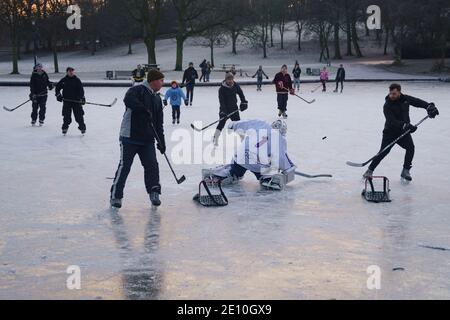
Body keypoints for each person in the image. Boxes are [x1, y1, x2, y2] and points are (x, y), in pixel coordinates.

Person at [110, 69, 166, 209]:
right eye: (161, 80)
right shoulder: (137, 90)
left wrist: (161, 141)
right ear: (153, 81)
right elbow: (128, 100)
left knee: (152, 165)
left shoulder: (157, 99)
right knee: (125, 166)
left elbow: (159, 123)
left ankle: (154, 191)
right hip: (130, 136)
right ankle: (116, 196)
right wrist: (142, 110)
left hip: (147, 139)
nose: (162, 83)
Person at [363, 83, 439, 181]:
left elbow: (417, 102)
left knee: (410, 148)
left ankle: (405, 171)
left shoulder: (405, 99)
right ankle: (369, 170)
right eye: (390, 93)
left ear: (399, 92)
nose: (392, 96)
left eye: (394, 94)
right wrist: (406, 125)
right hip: (390, 132)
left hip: (403, 132)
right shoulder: (387, 105)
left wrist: (428, 106)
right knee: (383, 152)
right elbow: (391, 121)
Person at [203, 119, 296, 191]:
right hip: (257, 163)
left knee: (236, 168)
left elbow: (247, 123)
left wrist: (234, 125)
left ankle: (224, 174)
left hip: (240, 156)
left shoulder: (261, 124)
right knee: (267, 170)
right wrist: (288, 169)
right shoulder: (280, 139)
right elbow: (281, 157)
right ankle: (268, 179)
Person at [213, 73, 248, 146]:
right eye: (229, 79)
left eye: (231, 79)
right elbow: (221, 101)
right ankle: (215, 137)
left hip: (234, 108)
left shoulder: (235, 85)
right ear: (226, 80)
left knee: (238, 124)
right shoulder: (221, 89)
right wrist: (223, 111)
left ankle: (243, 139)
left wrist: (244, 102)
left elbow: (241, 94)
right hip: (224, 109)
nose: (230, 81)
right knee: (221, 123)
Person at [55, 67, 86, 135]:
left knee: (79, 116)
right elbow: (57, 88)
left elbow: (81, 90)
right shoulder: (63, 80)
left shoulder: (77, 80)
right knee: (66, 116)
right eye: (69, 71)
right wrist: (58, 95)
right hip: (67, 101)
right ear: (67, 72)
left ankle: (82, 128)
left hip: (76, 102)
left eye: (72, 71)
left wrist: (82, 98)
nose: (71, 72)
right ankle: (65, 128)